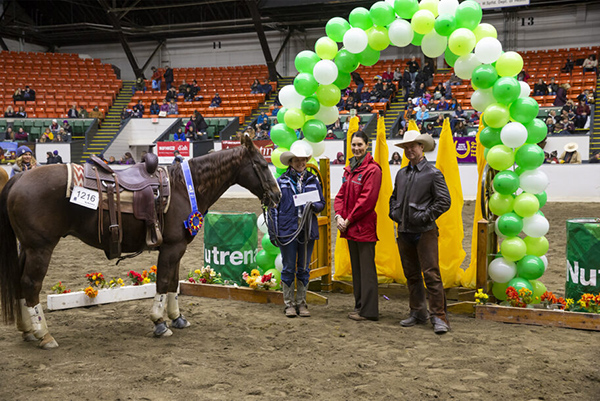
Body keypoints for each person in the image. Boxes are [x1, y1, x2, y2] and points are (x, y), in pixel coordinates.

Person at [389, 130, 451, 334]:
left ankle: (439, 316)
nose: (409, 150)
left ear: (421, 147)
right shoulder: (402, 174)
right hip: (405, 230)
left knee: (431, 274)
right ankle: (418, 311)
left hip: (424, 231)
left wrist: (424, 216)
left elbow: (444, 201)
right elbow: (394, 197)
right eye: (406, 147)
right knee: (412, 275)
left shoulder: (433, 173)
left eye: (412, 146)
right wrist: (394, 213)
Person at [269, 146, 325, 318]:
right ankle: (288, 304)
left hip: (307, 231)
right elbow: (273, 208)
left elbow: (321, 203)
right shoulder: (281, 181)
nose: (301, 163)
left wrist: (314, 205)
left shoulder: (313, 180)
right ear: (291, 162)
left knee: (303, 267)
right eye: (297, 160)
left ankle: (301, 302)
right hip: (288, 231)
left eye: (303, 160)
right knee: (287, 267)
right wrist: (274, 232)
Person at [334, 130, 382, 322]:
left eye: (359, 145)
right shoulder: (349, 169)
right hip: (349, 227)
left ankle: (369, 311)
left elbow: (367, 201)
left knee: (367, 271)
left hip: (363, 228)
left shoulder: (373, 170)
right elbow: (340, 196)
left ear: (367, 145)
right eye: (353, 145)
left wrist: (348, 219)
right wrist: (338, 215)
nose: (356, 148)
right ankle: (359, 307)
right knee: (357, 270)